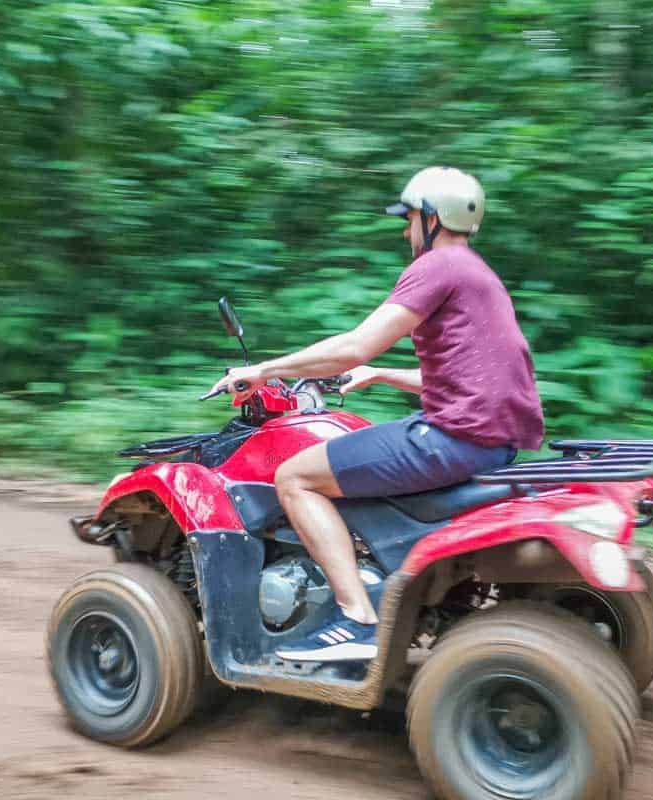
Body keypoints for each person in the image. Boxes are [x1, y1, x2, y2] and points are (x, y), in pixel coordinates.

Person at [206, 166, 544, 662]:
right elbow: (468, 380)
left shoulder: (438, 265)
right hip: (488, 440)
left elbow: (355, 346)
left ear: (432, 219)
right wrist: (383, 376)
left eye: (409, 220)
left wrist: (263, 370)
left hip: (450, 438)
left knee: (295, 476)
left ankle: (355, 617)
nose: (407, 232)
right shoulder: (479, 275)